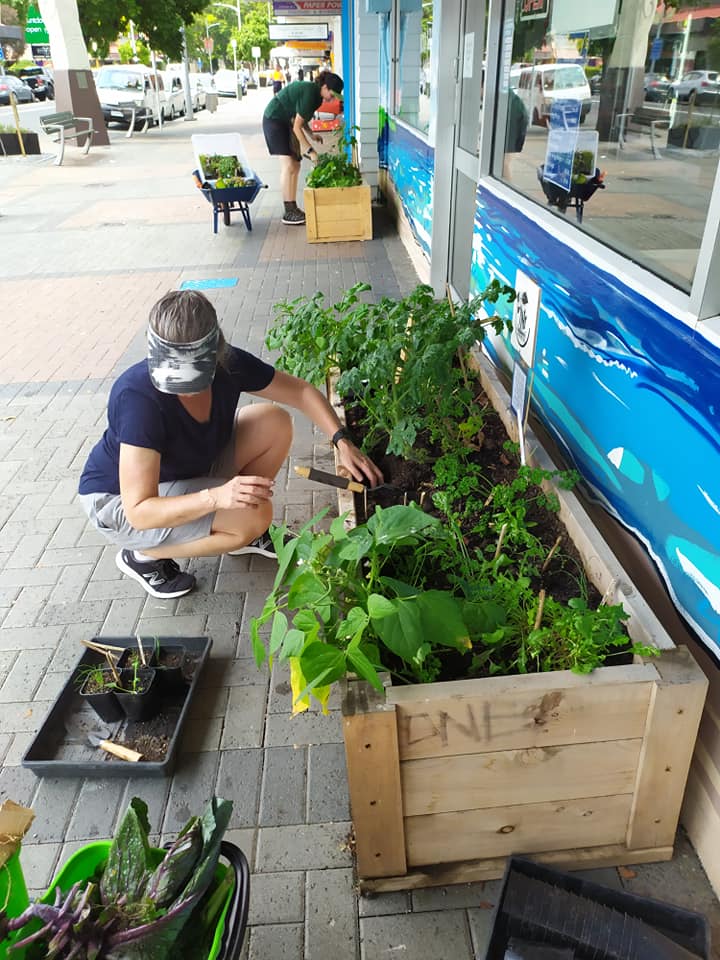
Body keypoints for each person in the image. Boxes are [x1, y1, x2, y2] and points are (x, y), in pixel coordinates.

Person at [78, 289, 383, 600]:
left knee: (274, 422)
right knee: (255, 515)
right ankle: (143, 555)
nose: (184, 394)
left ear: (216, 354)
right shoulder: (137, 397)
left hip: (183, 469)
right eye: (173, 382)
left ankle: (236, 529)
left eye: (194, 381)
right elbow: (140, 511)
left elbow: (301, 392)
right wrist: (215, 497)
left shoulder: (228, 363)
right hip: (121, 503)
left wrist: (341, 440)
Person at [262, 70, 344, 225]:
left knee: (296, 165)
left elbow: (301, 118)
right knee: (288, 165)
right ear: (325, 87)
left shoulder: (317, 97)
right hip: (274, 120)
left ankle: (292, 207)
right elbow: (296, 127)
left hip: (285, 122)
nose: (332, 99)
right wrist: (310, 151)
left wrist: (312, 135)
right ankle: (289, 211)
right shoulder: (310, 93)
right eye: (332, 95)